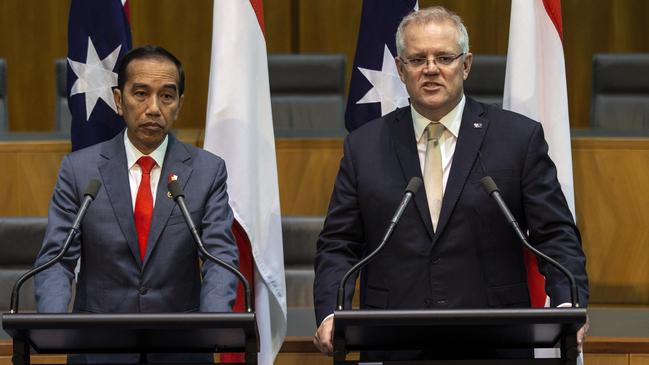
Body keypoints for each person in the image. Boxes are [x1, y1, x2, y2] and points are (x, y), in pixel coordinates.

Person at [313, 6, 589, 361]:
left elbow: (555, 236)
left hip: (496, 340)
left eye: (444, 57)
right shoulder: (363, 146)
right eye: (417, 59)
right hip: (392, 340)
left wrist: (569, 303)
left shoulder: (517, 138)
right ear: (400, 69)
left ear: (466, 64)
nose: (431, 69)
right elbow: (339, 244)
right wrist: (331, 310)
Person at [34, 45, 238, 363]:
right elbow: (57, 261)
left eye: (166, 96)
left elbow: (219, 258)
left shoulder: (207, 171)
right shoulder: (80, 171)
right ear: (119, 100)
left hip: (182, 350)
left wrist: (211, 325)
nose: (153, 108)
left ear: (179, 105)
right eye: (140, 94)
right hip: (98, 350)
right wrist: (54, 324)